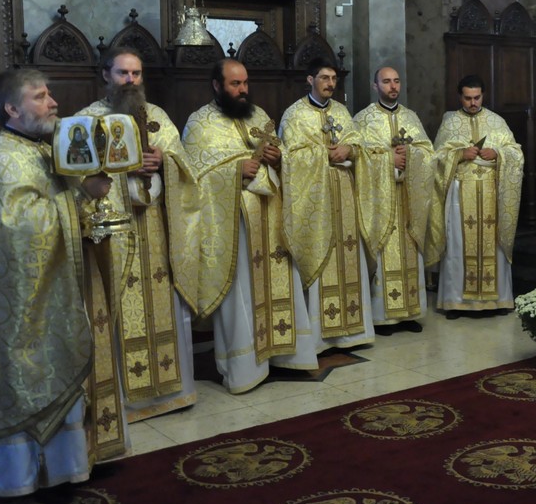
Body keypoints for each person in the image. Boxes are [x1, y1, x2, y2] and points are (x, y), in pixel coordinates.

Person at [0, 69, 112, 497]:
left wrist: (85, 199)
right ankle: (19, 480)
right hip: (20, 305)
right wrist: (80, 196)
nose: (52, 103)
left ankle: (66, 470)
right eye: (39, 97)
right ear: (12, 109)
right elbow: (21, 231)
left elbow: (58, 204)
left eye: (49, 94)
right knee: (24, 374)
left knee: (61, 360)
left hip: (53, 292)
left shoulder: (41, 149)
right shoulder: (0, 160)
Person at [77, 46, 202, 434]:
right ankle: (127, 398)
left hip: (156, 230)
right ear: (105, 75)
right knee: (119, 305)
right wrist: (124, 167)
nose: (130, 81)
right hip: (115, 236)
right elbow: (76, 178)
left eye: (136, 74)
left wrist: (165, 161)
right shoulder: (86, 122)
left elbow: (186, 167)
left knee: (163, 299)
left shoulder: (159, 117)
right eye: (122, 74)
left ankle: (171, 392)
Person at [182, 59, 320, 393]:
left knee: (280, 282)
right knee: (242, 290)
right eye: (234, 84)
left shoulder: (258, 116)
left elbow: (280, 149)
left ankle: (289, 357)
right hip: (235, 224)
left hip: (270, 216)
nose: (243, 90)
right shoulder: (199, 124)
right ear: (217, 85)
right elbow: (192, 176)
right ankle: (246, 367)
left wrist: (278, 158)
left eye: (245, 83)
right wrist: (232, 172)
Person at [279, 58, 375, 351]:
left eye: (333, 78)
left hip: (344, 193)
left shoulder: (342, 112)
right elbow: (290, 157)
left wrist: (350, 149)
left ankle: (354, 332)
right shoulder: (294, 115)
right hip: (316, 200)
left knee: (349, 255)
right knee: (322, 254)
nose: (330, 83)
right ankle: (322, 337)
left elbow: (359, 144)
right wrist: (324, 155)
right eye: (324, 78)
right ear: (310, 80)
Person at [429, 74, 524, 316]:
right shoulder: (450, 123)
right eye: (468, 98)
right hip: (461, 193)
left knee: (493, 244)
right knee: (458, 244)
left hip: (492, 192)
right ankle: (455, 301)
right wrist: (459, 155)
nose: (473, 103)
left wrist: (499, 153)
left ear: (483, 95)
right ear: (460, 96)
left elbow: (516, 152)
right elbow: (436, 157)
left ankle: (498, 301)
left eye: (477, 97)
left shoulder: (497, 121)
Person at [353, 66, 433, 333]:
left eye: (396, 81)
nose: (392, 86)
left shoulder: (411, 117)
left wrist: (411, 157)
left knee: (409, 251)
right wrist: (390, 160)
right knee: (385, 251)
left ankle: (410, 312)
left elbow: (428, 152)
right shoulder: (363, 119)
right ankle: (383, 316)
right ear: (375, 86)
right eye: (386, 82)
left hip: (408, 201)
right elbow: (359, 157)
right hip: (380, 202)